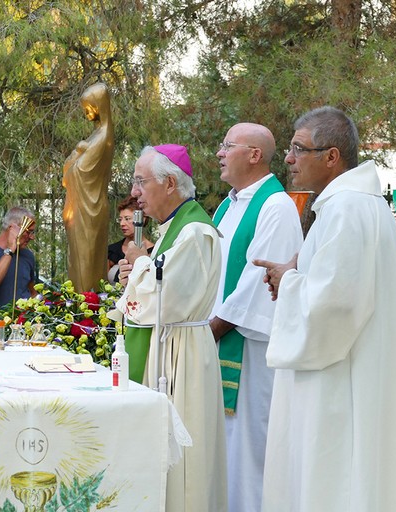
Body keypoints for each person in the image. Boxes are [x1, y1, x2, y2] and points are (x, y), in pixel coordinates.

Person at [253, 106, 396, 511]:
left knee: (333, 482)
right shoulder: (357, 204)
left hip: (338, 385)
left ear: (331, 157)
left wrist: (287, 283)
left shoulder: (346, 208)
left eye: (298, 149)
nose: (289, 159)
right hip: (351, 373)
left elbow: (335, 307)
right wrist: (299, 269)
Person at [113, 144, 228, 511]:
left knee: (184, 468)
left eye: (140, 182)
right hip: (167, 347)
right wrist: (138, 270)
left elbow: (166, 300)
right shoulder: (170, 230)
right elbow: (151, 288)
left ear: (170, 183)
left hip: (182, 354)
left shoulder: (194, 231)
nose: (134, 193)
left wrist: (140, 262)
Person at [209, 123, 303, 512]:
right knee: (225, 450)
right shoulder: (227, 205)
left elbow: (258, 282)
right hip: (218, 340)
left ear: (254, 155)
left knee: (250, 450)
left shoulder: (275, 206)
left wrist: (210, 330)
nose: (218, 152)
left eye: (227, 145)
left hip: (250, 351)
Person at [62, 82, 114, 292]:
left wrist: (75, 155)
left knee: (87, 260)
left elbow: (79, 172)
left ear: (100, 106)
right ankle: (80, 304)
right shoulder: (96, 135)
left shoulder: (103, 137)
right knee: (79, 259)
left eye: (90, 107)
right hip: (82, 207)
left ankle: (86, 308)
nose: (87, 112)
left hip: (89, 209)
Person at [106, 195, 154, 283]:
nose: (122, 223)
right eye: (120, 219)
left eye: (127, 219)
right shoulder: (112, 251)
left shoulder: (154, 251)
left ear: (141, 219)